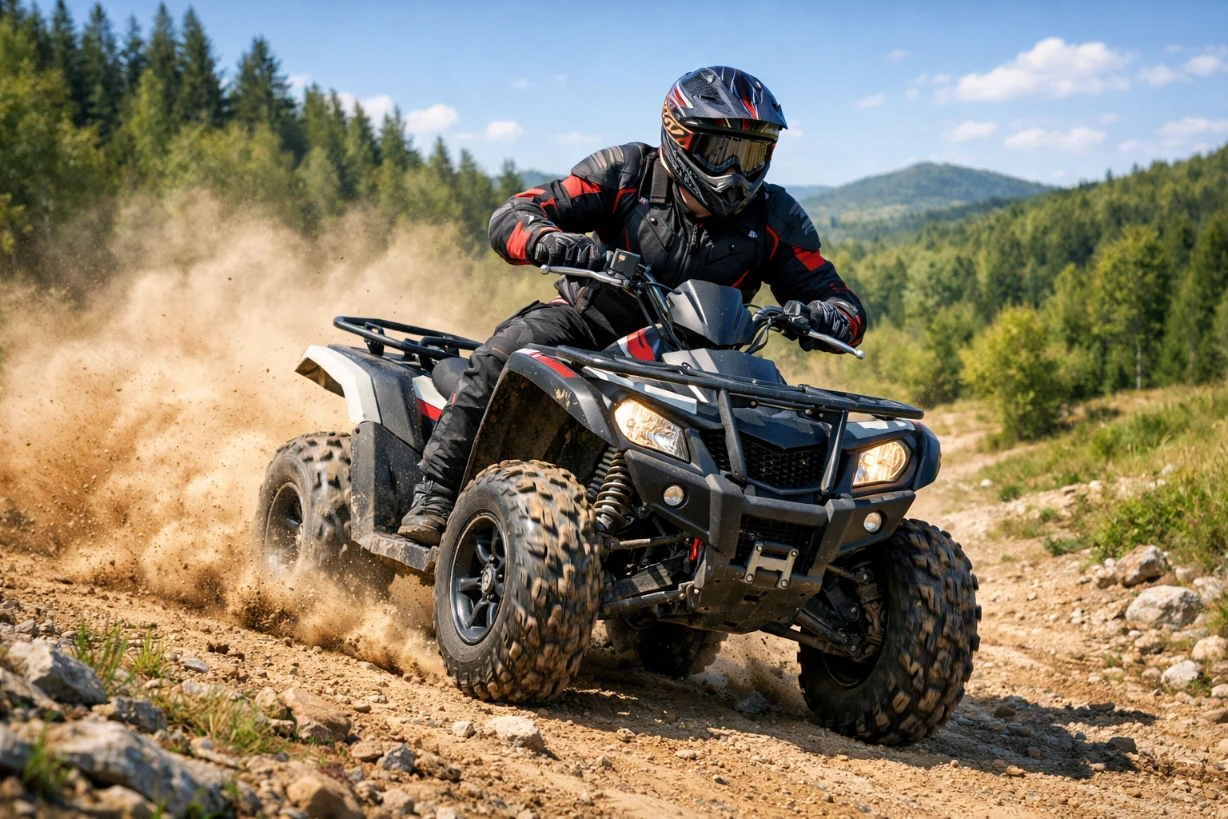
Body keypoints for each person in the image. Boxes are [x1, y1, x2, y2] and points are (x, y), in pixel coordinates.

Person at [399, 66, 867, 544]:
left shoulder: (775, 214)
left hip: (700, 361)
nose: (734, 173)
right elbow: (516, 212)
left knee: (780, 428)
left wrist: (826, 316)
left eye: (751, 155)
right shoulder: (625, 171)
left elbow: (841, 302)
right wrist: (551, 241)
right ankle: (435, 493)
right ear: (679, 138)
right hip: (590, 328)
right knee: (511, 348)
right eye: (722, 151)